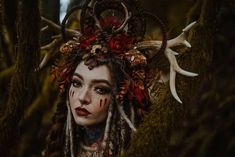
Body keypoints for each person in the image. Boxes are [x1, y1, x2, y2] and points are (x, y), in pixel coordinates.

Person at [44, 0, 197, 156]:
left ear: (122, 96)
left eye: (100, 89)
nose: (83, 98)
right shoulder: (61, 146)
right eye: (76, 83)